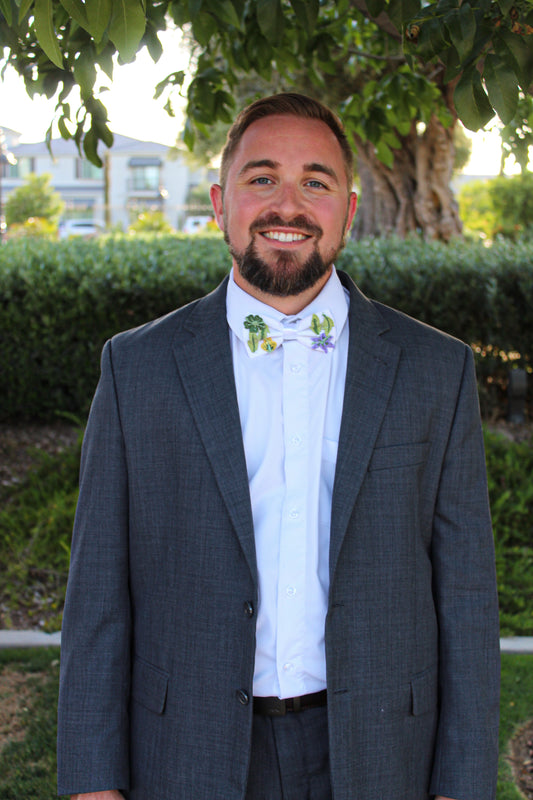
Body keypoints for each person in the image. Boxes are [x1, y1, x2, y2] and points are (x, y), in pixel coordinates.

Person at [57, 93, 500, 800]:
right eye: (261, 178)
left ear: (348, 211)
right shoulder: (135, 367)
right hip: (186, 752)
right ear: (218, 202)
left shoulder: (433, 369)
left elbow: (468, 597)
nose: (286, 205)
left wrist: (463, 782)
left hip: (383, 749)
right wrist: (91, 782)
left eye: (315, 182)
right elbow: (97, 599)